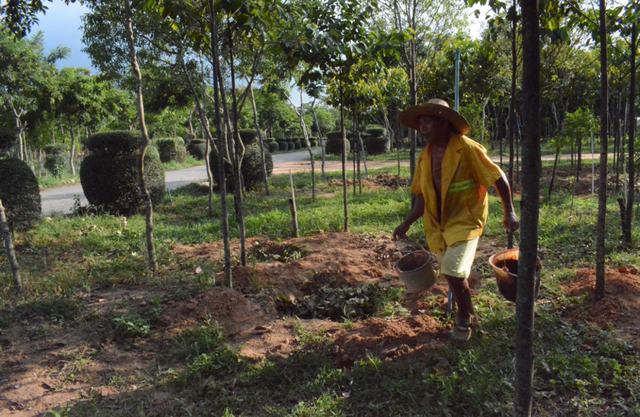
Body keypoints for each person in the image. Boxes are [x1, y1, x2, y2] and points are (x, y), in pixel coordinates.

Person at [393, 99, 519, 343]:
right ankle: (471, 315)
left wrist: (509, 212)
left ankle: (463, 317)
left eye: (428, 122)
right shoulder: (424, 157)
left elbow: (498, 177)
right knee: (451, 273)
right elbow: (421, 198)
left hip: (466, 220)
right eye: (420, 123)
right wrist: (406, 223)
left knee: (452, 268)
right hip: (438, 225)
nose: (422, 128)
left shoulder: (467, 148)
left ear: (444, 123)